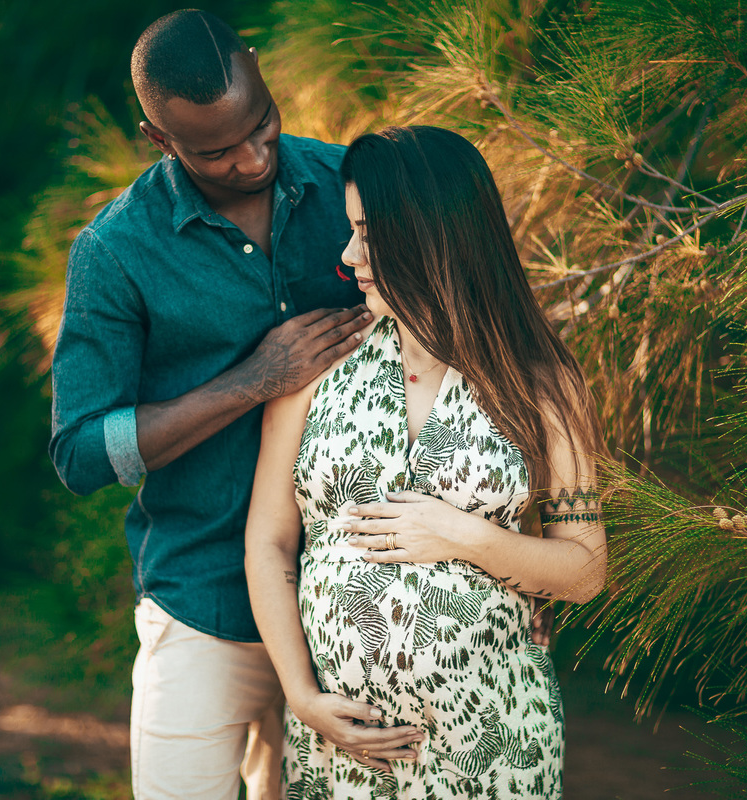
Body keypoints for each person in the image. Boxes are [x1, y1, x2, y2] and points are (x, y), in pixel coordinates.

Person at [47, 9, 381, 800]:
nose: (252, 157)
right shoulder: (116, 251)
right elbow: (82, 452)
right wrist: (252, 380)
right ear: (157, 138)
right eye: (216, 151)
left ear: (259, 70)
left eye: (262, 124)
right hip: (205, 604)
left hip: (352, 610)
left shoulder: (350, 186)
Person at [245, 125, 608, 799]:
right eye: (351, 229)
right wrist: (300, 693)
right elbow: (268, 541)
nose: (349, 254)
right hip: (342, 749)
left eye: (368, 233)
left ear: (432, 236)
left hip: (493, 747)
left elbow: (585, 569)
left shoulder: (542, 381)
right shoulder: (317, 361)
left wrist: (465, 535)